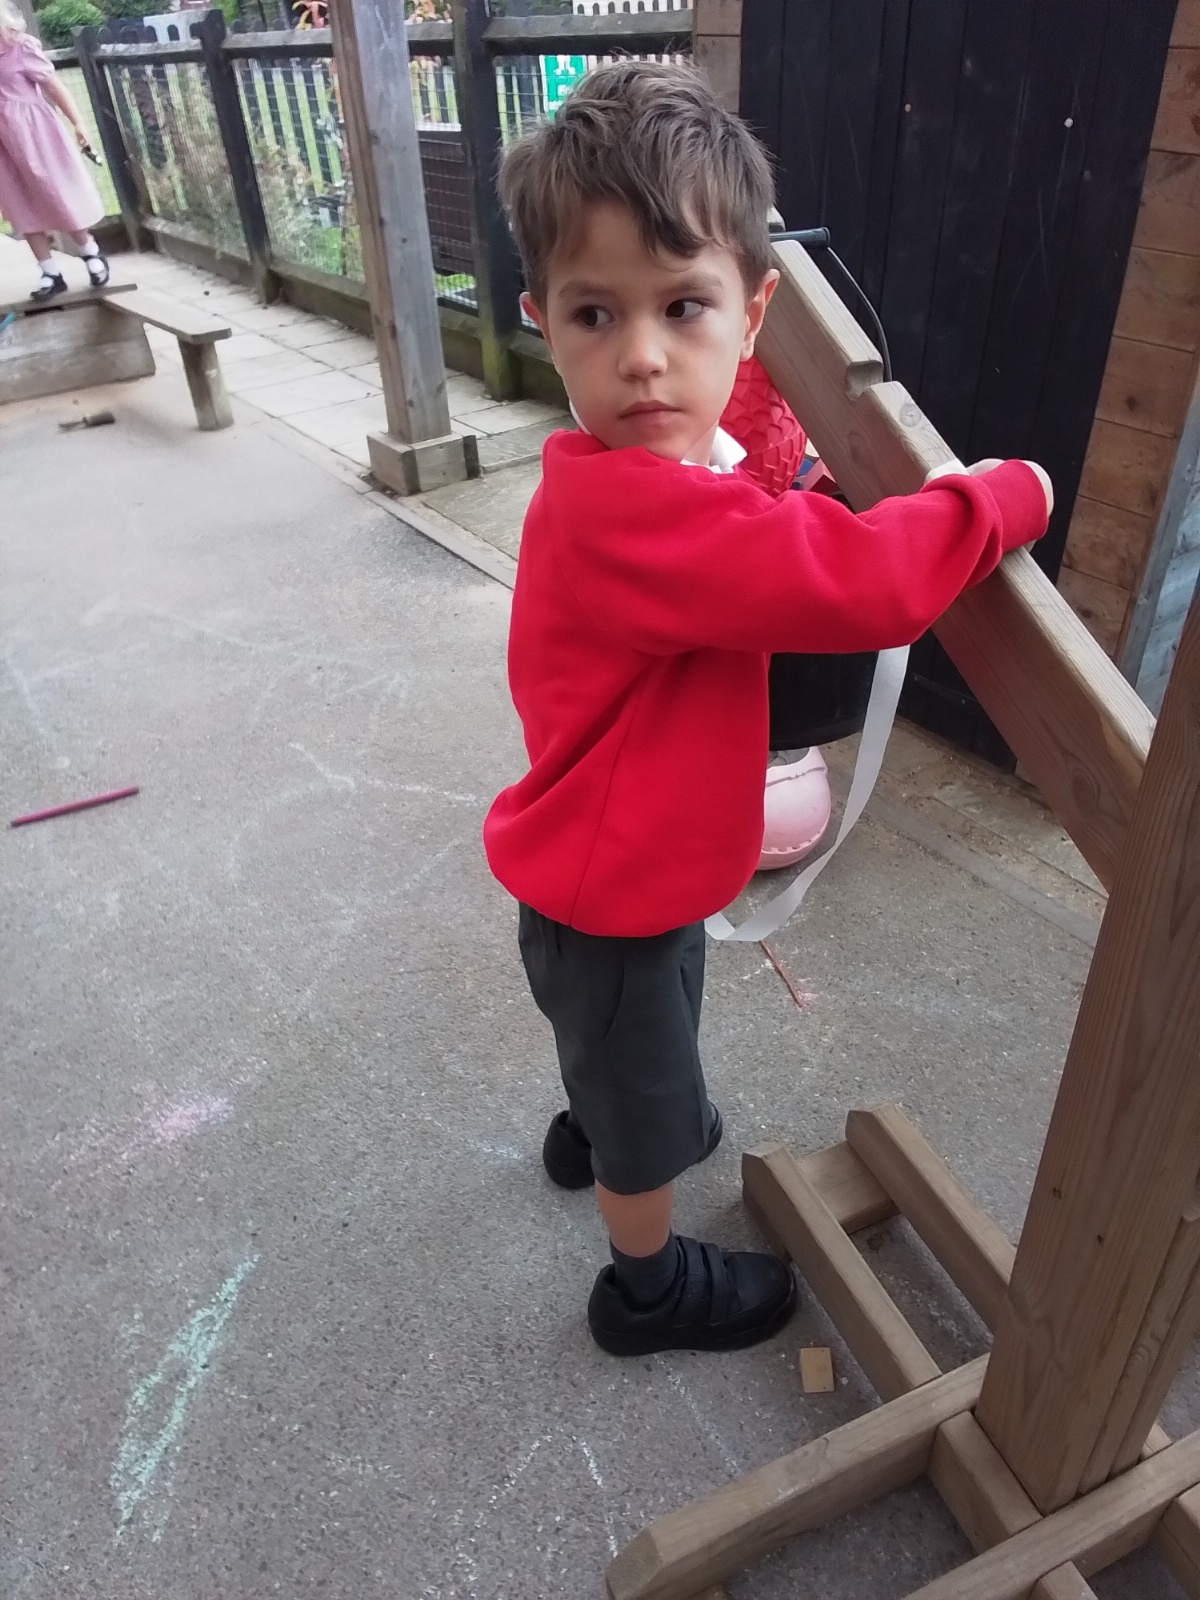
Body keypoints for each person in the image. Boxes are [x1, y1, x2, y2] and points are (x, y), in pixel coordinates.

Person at [484, 60, 1053, 1359]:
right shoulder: (642, 513)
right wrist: (999, 495)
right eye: (594, 314)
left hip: (612, 868)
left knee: (623, 1038)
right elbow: (864, 579)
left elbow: (753, 531)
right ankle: (644, 1286)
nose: (641, 356)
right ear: (541, 322)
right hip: (614, 896)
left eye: (681, 307)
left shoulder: (618, 479)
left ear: (752, 315)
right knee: (646, 1097)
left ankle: (593, 1119)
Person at [0, 0, 109, 301]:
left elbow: (54, 86)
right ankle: (49, 271)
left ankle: (89, 251)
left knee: (54, 190)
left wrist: (79, 123)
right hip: (3, 144)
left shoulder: (20, 47)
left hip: (33, 132)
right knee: (16, 200)